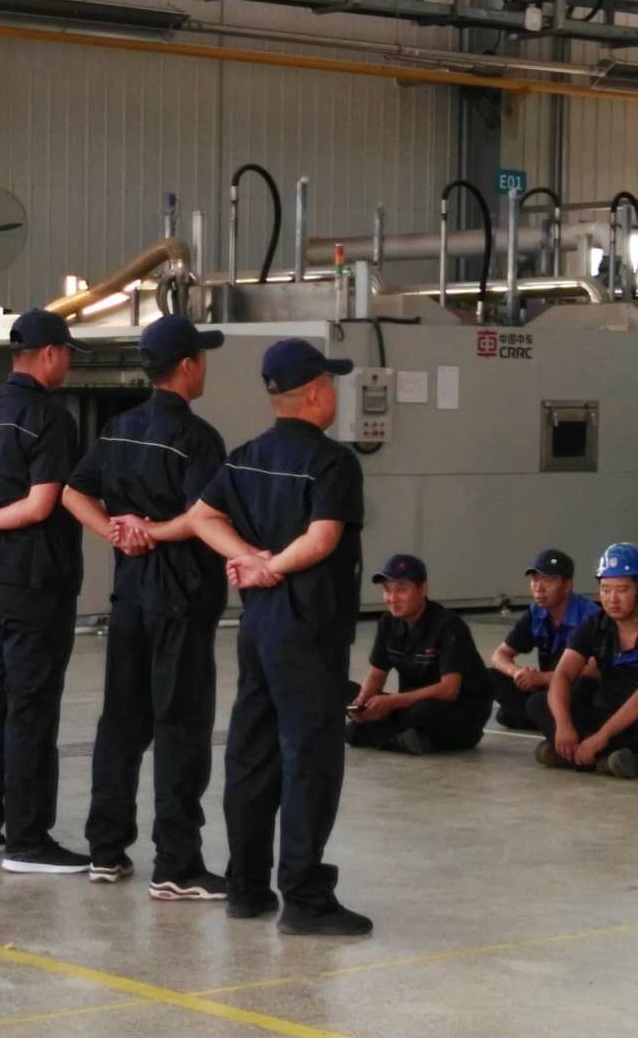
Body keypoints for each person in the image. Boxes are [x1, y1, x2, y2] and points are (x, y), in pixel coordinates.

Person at [190, 338, 371, 937]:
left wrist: (248, 559)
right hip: (309, 627)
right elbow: (322, 539)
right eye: (332, 385)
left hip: (259, 624)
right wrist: (270, 566)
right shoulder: (333, 462)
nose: (335, 394)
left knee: (252, 753)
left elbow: (202, 516)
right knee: (309, 759)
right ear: (315, 394)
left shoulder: (245, 456)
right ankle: (305, 898)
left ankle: (246, 888)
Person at [62, 316, 229, 900]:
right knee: (180, 727)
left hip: (130, 596)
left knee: (121, 722)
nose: (204, 367)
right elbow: (203, 517)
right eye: (201, 358)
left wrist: (116, 531)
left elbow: (72, 492)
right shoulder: (198, 438)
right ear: (185, 366)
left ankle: (106, 851)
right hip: (180, 597)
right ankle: (176, 866)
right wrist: (151, 531)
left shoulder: (119, 428)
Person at [0, 308, 89, 875]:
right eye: (67, 354)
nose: (67, 364)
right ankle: (28, 839)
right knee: (31, 706)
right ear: (50, 353)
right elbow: (41, 504)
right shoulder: (51, 419)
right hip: (37, 578)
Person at [347, 554, 493, 755]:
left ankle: (388, 735)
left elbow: (449, 690)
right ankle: (406, 739)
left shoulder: (448, 625)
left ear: (423, 589)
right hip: (410, 704)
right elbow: (376, 675)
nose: (392, 598)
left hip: (456, 714)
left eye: (401, 590)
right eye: (387, 590)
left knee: (423, 710)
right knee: (345, 692)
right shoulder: (387, 623)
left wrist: (392, 702)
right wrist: (362, 702)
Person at [531, 543, 638, 779]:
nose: (612, 599)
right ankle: (606, 759)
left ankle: (579, 756)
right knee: (538, 703)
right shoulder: (595, 624)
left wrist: (601, 737)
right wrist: (563, 725)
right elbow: (562, 674)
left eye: (622, 590)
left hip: (632, 718)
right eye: (605, 589)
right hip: (606, 713)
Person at [489, 549, 600, 731]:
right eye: (534, 580)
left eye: (548, 581)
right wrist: (517, 672)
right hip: (548, 689)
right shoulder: (536, 613)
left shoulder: (590, 616)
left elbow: (594, 670)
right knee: (492, 677)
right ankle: (541, 717)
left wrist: (542, 678)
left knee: (576, 687)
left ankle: (539, 717)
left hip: (575, 689)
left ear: (567, 585)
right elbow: (499, 655)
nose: (538, 588)